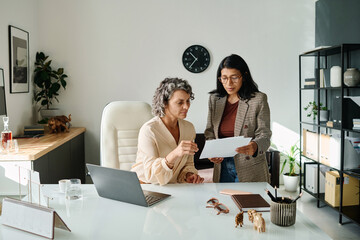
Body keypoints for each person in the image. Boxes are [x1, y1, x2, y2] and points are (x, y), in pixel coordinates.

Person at [204, 54, 271, 183]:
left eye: (234, 77)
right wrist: (213, 151)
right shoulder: (215, 99)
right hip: (222, 166)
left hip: (250, 166)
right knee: (223, 202)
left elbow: (265, 134)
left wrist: (255, 146)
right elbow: (210, 132)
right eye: (224, 78)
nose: (229, 83)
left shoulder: (258, 99)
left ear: (244, 76)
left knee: (249, 202)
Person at [132, 78, 204, 185]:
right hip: (145, 187)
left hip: (171, 188)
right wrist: (174, 154)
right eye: (180, 102)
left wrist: (188, 175)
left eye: (188, 101)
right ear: (165, 103)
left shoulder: (189, 128)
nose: (186, 106)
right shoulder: (149, 130)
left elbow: (188, 164)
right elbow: (151, 176)